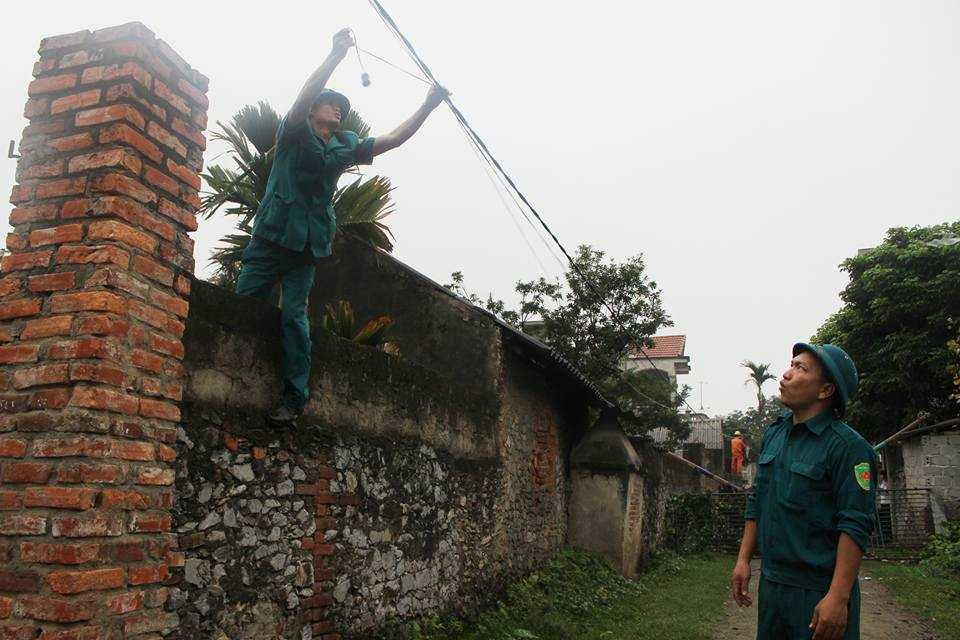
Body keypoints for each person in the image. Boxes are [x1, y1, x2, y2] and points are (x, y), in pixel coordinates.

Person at [235, 28, 449, 423]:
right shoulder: (293, 131)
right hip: (271, 237)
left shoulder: (343, 145)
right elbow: (303, 96)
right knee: (241, 304)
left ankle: (293, 399)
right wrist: (335, 55)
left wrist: (429, 105)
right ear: (315, 108)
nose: (337, 108)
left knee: (295, 317)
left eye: (340, 107)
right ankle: (234, 374)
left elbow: (394, 139)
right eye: (330, 103)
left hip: (307, 246)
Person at [730, 343, 877, 640]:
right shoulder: (774, 434)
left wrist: (838, 597)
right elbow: (758, 499)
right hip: (772, 584)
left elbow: (855, 523)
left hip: (818, 589)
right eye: (791, 364)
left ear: (825, 391)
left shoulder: (848, 448)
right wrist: (743, 559)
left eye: (801, 368)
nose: (786, 374)